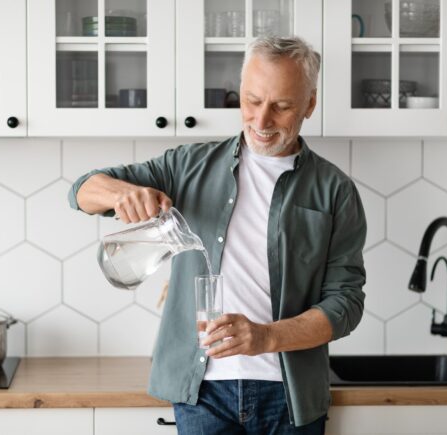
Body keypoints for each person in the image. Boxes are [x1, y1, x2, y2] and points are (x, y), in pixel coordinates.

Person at [69, 35, 366, 434]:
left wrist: (265, 337)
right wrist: (123, 192)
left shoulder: (335, 190)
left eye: (281, 106)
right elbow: (81, 191)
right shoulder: (187, 165)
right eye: (252, 100)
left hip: (291, 397)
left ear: (309, 104)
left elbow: (345, 303)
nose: (261, 121)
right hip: (203, 394)